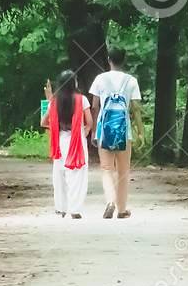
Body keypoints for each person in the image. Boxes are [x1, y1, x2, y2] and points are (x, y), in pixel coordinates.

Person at [89, 46, 144, 219]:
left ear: (108, 59)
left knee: (106, 169)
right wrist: (140, 132)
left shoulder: (99, 79)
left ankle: (110, 201)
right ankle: (121, 209)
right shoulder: (131, 81)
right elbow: (135, 109)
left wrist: (93, 132)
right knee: (123, 171)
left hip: (104, 131)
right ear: (124, 60)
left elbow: (95, 107)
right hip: (124, 131)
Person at [44, 70, 92, 219]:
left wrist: (49, 99)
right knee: (77, 175)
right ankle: (75, 209)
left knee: (59, 175)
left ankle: (61, 207)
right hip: (77, 141)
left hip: (59, 141)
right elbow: (89, 122)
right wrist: (83, 133)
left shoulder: (54, 101)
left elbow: (43, 122)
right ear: (74, 83)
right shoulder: (82, 99)